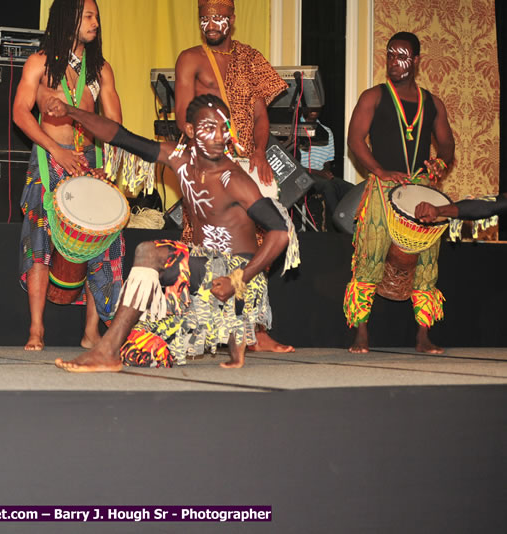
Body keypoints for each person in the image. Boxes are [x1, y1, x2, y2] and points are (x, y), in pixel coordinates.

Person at [49, 94, 296, 372]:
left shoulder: (234, 179)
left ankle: (106, 350)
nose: (219, 136)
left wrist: (236, 280)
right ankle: (123, 347)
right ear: (190, 131)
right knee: (141, 350)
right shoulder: (179, 159)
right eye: (209, 128)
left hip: (238, 280)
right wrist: (70, 110)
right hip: (201, 278)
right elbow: (120, 137)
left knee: (147, 252)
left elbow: (280, 232)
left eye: (224, 128)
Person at [174, 0, 294, 353]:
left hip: (245, 164)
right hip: (209, 161)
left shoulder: (251, 59)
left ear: (232, 20)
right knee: (203, 242)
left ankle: (253, 330)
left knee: (257, 242)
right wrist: (214, 151)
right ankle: (203, 326)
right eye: (204, 18)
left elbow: (260, 117)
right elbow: (184, 116)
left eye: (218, 18)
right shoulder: (190, 59)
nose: (210, 24)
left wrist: (258, 152)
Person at [13, 0, 124, 351]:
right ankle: (36, 329)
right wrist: (56, 150)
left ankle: (92, 331)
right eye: (88, 16)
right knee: (39, 247)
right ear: (68, 19)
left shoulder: (100, 69)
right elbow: (20, 113)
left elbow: (114, 125)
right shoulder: (40, 63)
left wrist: (108, 166)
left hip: (91, 163)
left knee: (100, 246)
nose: (95, 23)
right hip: (50, 159)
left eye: (96, 17)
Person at [344, 32, 454, 354]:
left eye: (403, 56)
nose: (395, 61)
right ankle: (361, 333)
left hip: (420, 189)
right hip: (382, 188)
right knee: (370, 256)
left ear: (417, 60)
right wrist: (378, 170)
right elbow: (355, 139)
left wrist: (441, 163)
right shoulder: (373, 96)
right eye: (391, 55)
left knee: (427, 262)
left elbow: (447, 143)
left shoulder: (432, 103)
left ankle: (423, 336)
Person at [298, 107, 354, 230]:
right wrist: (320, 173)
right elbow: (294, 164)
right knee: (328, 186)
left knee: (350, 188)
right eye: (311, 106)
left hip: (320, 174)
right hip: (303, 174)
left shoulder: (326, 131)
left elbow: (328, 159)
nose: (314, 110)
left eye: (317, 107)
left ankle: (356, 224)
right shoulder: (295, 129)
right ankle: (338, 226)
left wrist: (326, 171)